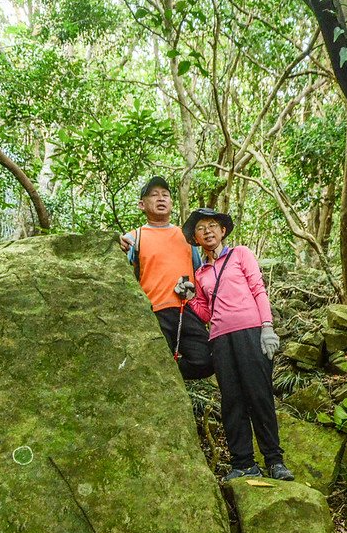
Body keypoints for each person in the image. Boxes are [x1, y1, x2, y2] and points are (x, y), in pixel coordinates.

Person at [177, 207, 294, 482]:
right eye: (201, 228)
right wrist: (191, 297)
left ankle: (275, 461)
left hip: (251, 332)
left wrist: (267, 328)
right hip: (219, 339)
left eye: (212, 225)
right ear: (195, 238)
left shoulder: (241, 254)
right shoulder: (201, 272)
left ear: (223, 230)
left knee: (259, 396)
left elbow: (258, 289)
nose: (207, 231)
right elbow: (206, 313)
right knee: (232, 401)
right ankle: (243, 463)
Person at [119, 177, 213, 380]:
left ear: (171, 203)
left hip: (186, 309)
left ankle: (170, 372)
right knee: (155, 363)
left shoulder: (187, 236)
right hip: (153, 312)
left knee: (206, 359)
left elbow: (200, 273)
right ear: (142, 205)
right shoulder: (134, 237)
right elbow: (121, 272)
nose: (161, 199)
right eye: (154, 195)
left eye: (165, 195)